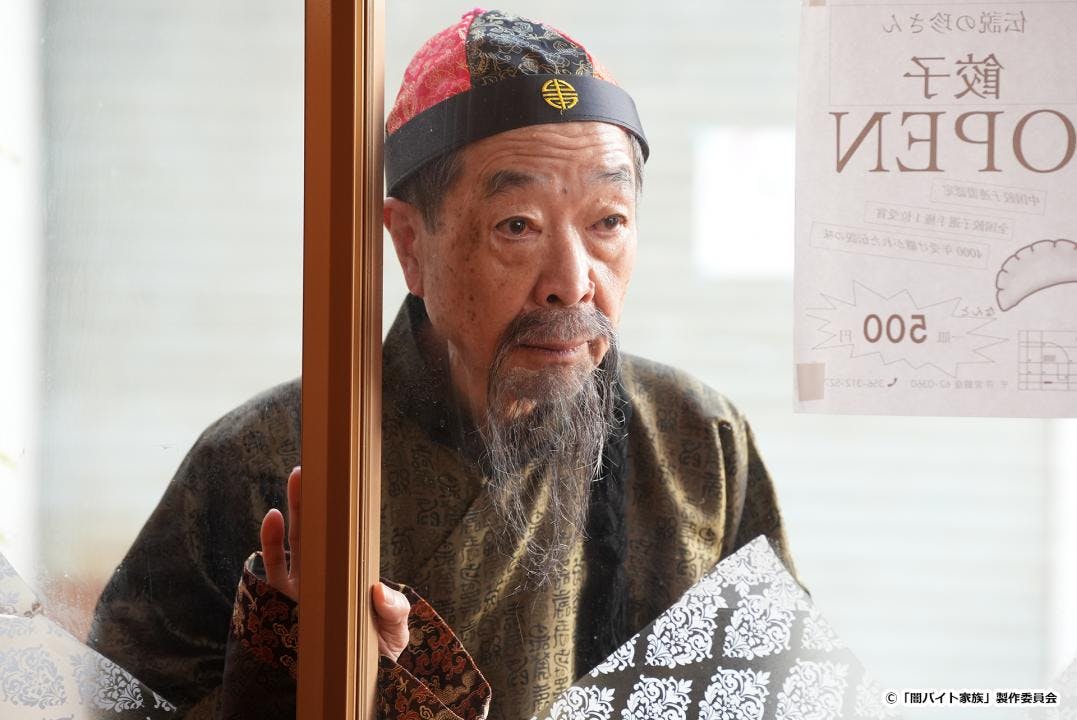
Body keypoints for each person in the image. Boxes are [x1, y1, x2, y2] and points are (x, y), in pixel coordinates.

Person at [89, 8, 796, 720]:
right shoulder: (265, 459)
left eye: (607, 221)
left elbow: (783, 699)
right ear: (409, 245)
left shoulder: (696, 441)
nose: (572, 281)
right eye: (516, 226)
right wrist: (291, 670)